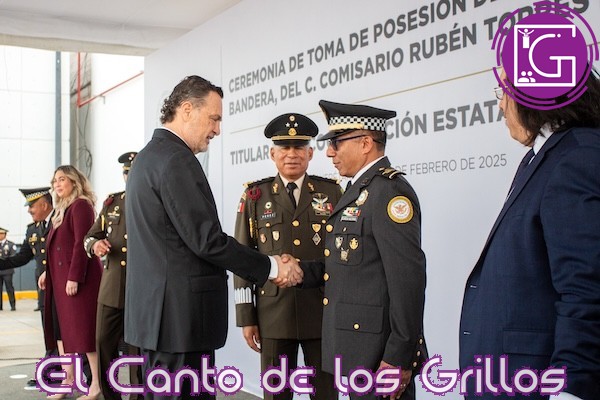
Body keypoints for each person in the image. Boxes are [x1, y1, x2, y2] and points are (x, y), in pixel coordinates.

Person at [124, 75, 302, 400]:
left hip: (159, 322)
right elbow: (207, 241)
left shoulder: (149, 157)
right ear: (187, 109)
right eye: (214, 118)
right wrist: (272, 267)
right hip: (179, 325)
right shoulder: (176, 160)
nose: (217, 130)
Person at [459, 69, 600, 400]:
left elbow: (586, 288)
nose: (501, 105)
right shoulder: (542, 157)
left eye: (505, 92)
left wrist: (571, 389)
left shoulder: (578, 156)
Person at [298, 100, 427, 400]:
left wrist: (398, 356)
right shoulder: (360, 190)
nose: (330, 152)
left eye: (337, 143)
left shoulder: (389, 191)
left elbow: (408, 280)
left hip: (381, 358)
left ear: (366, 143)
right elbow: (348, 266)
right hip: (360, 351)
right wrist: (297, 270)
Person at [233, 113, 342, 400]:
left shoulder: (332, 192)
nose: (291, 154)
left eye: (298, 147)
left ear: (310, 153)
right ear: (272, 154)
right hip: (273, 316)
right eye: (284, 148)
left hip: (321, 312)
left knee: (326, 394)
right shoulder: (255, 196)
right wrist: (246, 317)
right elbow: (242, 259)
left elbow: (342, 254)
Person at [39, 165, 103, 400]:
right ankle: (67, 381)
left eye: (62, 179)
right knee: (62, 333)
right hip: (59, 281)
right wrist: (47, 273)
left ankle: (96, 384)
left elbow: (81, 244)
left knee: (84, 333)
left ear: (74, 182)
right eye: (54, 181)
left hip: (79, 281)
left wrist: (74, 277)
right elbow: (57, 248)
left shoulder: (81, 206)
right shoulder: (61, 209)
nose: (57, 184)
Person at [83, 151, 141, 400]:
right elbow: (90, 236)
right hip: (112, 287)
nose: (129, 177)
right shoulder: (112, 203)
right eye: (126, 173)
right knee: (104, 344)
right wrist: (95, 245)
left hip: (141, 288)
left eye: (133, 172)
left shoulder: (152, 202)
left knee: (138, 351)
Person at [0, 187, 56, 386]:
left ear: (44, 204)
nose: (29, 210)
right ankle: (53, 371)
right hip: (44, 289)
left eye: (32, 206)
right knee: (49, 330)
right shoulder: (33, 229)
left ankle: (83, 373)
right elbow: (23, 257)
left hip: (62, 287)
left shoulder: (60, 221)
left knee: (66, 332)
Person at [0, 227, 18, 311]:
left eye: (1, 234)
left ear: (5, 234)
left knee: (9, 288)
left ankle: (12, 305)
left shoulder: (10, 245)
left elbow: (12, 256)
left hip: (7, 270)